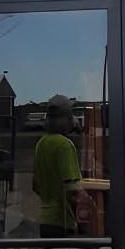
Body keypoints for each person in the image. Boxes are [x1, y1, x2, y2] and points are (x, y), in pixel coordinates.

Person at [33, 94, 92, 239]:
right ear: (67, 119)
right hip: (63, 222)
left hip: (44, 220)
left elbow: (36, 186)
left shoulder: (41, 143)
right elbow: (73, 188)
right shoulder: (65, 145)